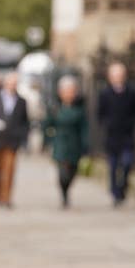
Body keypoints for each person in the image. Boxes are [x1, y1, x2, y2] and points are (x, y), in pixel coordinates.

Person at [97, 61, 135, 206]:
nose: (118, 78)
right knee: (113, 166)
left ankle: (122, 188)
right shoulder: (105, 93)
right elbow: (100, 113)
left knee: (127, 163)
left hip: (127, 135)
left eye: (120, 75)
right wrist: (107, 124)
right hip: (112, 136)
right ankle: (115, 193)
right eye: (115, 75)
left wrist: (130, 123)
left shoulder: (132, 92)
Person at [44, 75, 89, 208]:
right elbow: (47, 125)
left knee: (73, 171)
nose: (69, 94)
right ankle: (64, 194)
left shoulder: (79, 109)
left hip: (74, 143)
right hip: (60, 143)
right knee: (63, 173)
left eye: (71, 91)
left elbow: (84, 128)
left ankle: (67, 190)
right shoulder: (55, 108)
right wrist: (48, 141)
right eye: (66, 91)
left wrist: (85, 144)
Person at [0, 72, 29, 208]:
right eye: (10, 83)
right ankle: (0, 194)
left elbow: (25, 121)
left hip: (12, 141)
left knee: (9, 169)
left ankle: (6, 197)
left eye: (14, 83)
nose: (12, 86)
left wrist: (23, 138)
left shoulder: (22, 101)